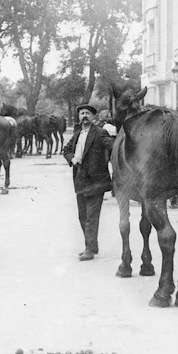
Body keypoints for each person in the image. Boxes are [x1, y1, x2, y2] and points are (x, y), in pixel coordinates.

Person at [63, 104, 115, 261]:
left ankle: (89, 249)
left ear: (93, 117)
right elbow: (66, 149)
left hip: (96, 181)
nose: (84, 116)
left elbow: (112, 146)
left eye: (87, 113)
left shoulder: (100, 133)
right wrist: (72, 158)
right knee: (82, 216)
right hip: (80, 179)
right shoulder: (78, 133)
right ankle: (92, 245)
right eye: (81, 113)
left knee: (92, 216)